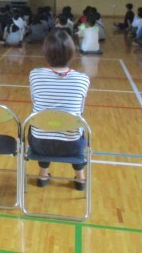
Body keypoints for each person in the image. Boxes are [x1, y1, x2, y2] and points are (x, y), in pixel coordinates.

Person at [29, 29, 90, 190]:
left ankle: (43, 175)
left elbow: (35, 102)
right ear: (71, 53)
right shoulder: (83, 79)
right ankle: (80, 178)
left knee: (43, 123)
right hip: (72, 145)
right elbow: (80, 110)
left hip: (40, 144)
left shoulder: (35, 75)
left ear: (46, 53)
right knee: (76, 127)